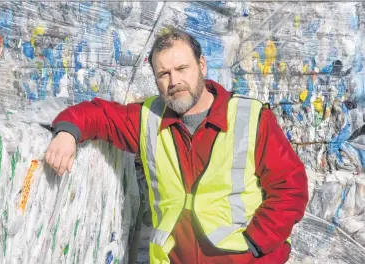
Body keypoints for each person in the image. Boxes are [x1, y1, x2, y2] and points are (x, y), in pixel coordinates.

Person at [45, 27, 309, 264]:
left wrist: (255, 244)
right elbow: (98, 114)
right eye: (164, 74)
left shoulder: (251, 118)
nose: (174, 82)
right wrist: (67, 133)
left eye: (182, 69)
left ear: (202, 66)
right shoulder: (148, 119)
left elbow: (290, 188)